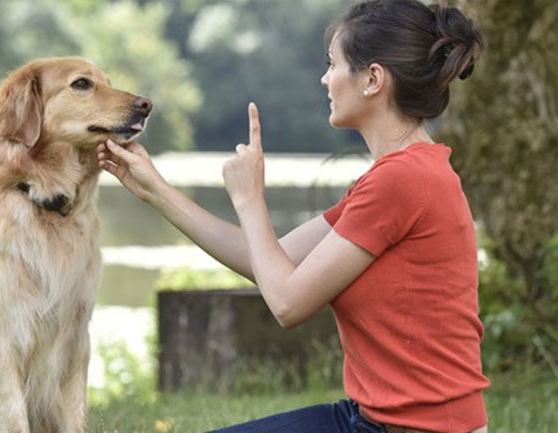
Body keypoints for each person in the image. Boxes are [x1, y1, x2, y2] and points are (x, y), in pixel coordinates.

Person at [97, 0, 487, 431]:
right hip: (371, 420)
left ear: (373, 79)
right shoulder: (401, 175)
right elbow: (273, 262)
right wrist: (156, 191)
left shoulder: (402, 181)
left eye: (332, 64)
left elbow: (286, 303)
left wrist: (250, 200)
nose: (325, 78)